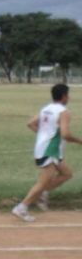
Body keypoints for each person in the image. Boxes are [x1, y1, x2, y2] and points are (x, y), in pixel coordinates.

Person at [12, 84, 82, 222]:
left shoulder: (46, 109)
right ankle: (21, 207)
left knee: (67, 174)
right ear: (63, 96)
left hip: (46, 149)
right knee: (43, 182)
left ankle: (42, 194)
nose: (69, 97)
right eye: (68, 95)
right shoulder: (63, 112)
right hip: (50, 151)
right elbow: (66, 134)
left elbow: (31, 123)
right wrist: (80, 141)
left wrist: (44, 135)